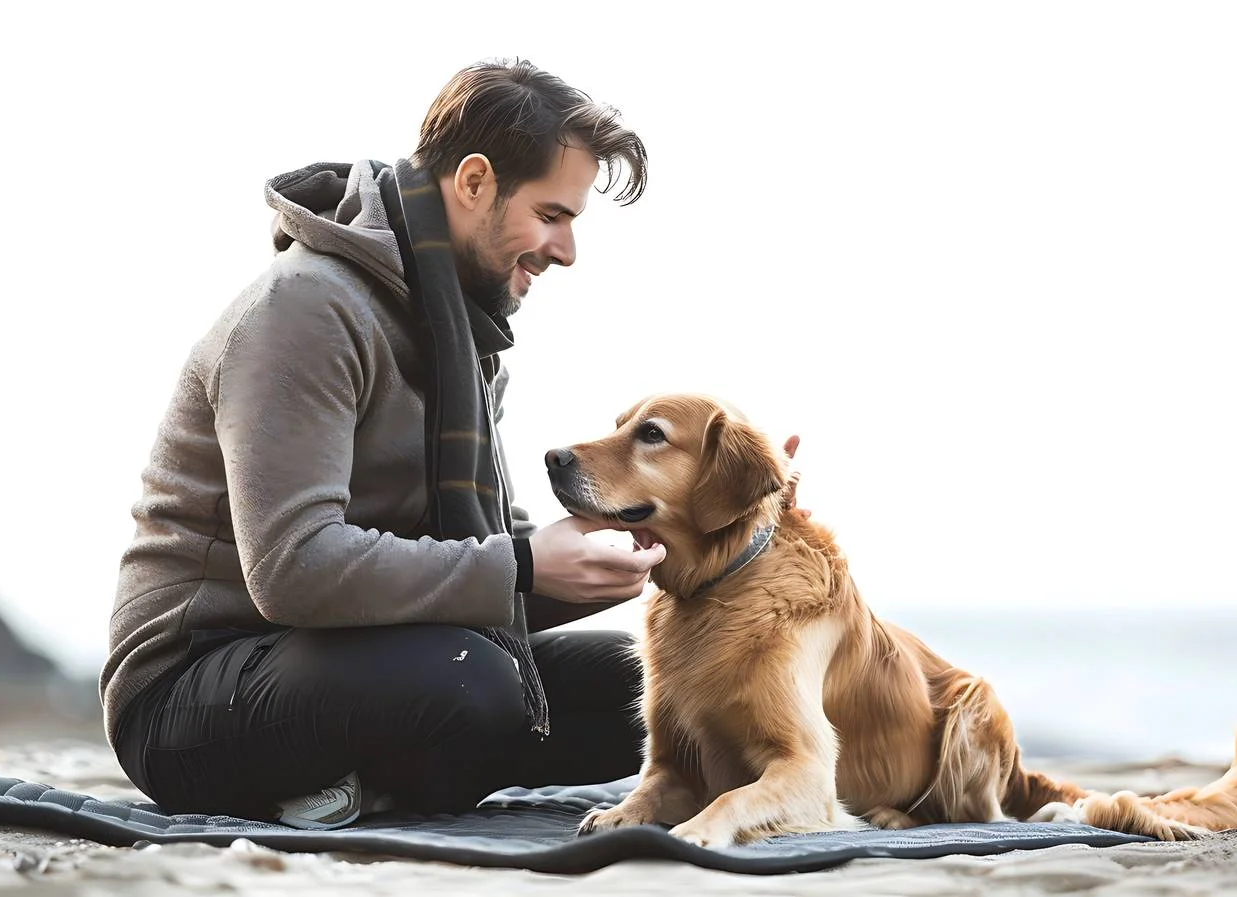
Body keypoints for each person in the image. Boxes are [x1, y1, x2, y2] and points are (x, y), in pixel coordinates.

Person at [100, 57, 805, 827]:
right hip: (196, 690)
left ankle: (360, 782)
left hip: (365, 651)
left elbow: (472, 559)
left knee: (635, 690)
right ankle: (369, 778)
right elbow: (295, 570)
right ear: (474, 182)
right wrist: (530, 564)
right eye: (552, 214)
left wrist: (701, 523)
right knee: (474, 684)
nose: (564, 250)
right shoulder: (307, 310)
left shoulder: (459, 332)